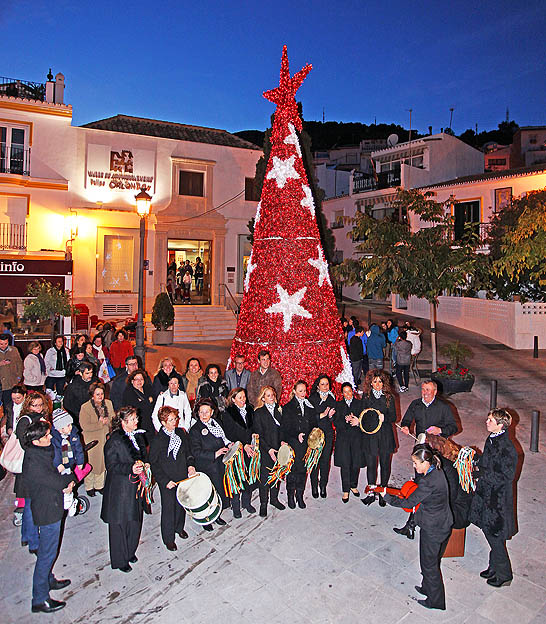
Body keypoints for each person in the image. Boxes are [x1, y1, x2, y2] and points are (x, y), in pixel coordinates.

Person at [379, 444, 453, 610]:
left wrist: (387, 496)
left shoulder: (428, 482)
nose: (413, 466)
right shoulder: (436, 471)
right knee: (430, 561)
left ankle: (436, 601)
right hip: (442, 522)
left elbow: (408, 502)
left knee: (429, 565)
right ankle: (427, 588)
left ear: (425, 462)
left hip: (433, 528)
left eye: (415, 463)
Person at [22, 420, 74, 613]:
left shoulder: (39, 453)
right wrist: (69, 479)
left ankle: (48, 580)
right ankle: (40, 598)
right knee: (46, 554)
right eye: (46, 436)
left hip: (52, 505)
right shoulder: (33, 462)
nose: (50, 437)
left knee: (49, 551)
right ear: (36, 441)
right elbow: (53, 480)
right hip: (47, 510)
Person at [396, 380, 458, 538]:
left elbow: (454, 427)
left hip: (436, 453)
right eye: (423, 389)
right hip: (420, 451)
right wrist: (405, 426)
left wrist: (441, 430)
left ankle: (419, 522)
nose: (425, 392)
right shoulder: (416, 404)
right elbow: (407, 420)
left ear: (435, 392)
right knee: (418, 485)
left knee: (431, 487)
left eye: (428, 390)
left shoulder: (444, 407)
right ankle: (411, 523)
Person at [469, 408, 518, 588]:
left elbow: (506, 477)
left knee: (495, 537)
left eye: (490, 420)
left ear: (500, 425)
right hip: (487, 495)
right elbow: (488, 462)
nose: (486, 422)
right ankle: (493, 567)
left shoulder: (507, 448)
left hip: (497, 500)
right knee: (490, 533)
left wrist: (481, 473)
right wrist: (476, 460)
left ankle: (504, 574)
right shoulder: (492, 439)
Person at [101, 406, 150, 572]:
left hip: (135, 486)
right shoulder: (114, 441)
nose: (137, 421)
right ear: (122, 422)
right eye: (133, 419)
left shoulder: (138, 436)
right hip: (120, 489)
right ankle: (120, 559)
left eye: (136, 418)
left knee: (135, 520)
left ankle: (130, 551)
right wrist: (130, 468)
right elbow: (112, 466)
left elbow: (142, 457)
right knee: (120, 524)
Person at [149, 406, 196, 551]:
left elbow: (188, 452)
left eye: (175, 418)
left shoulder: (181, 433)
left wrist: (190, 466)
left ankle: (179, 528)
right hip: (167, 479)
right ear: (163, 422)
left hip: (181, 475)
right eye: (171, 420)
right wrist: (164, 481)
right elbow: (154, 463)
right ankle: (168, 538)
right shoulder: (158, 440)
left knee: (181, 504)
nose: (175, 421)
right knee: (168, 508)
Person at [15, 391, 50, 554]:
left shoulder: (40, 419)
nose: (37, 408)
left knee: (31, 504)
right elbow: (26, 445)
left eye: (40, 405)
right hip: (29, 468)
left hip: (36, 466)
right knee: (30, 504)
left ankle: (26, 536)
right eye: (34, 405)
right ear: (27, 406)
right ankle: (33, 542)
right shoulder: (25, 421)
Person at [188, 399, 229, 531]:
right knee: (207, 495)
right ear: (197, 413)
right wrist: (214, 454)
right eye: (201, 412)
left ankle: (216, 515)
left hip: (219, 465)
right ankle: (206, 521)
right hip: (206, 466)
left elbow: (223, 438)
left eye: (207, 412)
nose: (204, 415)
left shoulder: (217, 423)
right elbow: (195, 451)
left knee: (218, 491)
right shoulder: (195, 430)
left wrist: (229, 445)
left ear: (212, 412)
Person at [360, 370, 397, 506]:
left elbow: (394, 417)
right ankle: (371, 491)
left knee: (385, 465)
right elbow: (362, 414)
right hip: (371, 435)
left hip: (385, 435)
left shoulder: (389, 397)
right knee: (371, 464)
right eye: (375, 381)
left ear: (384, 383)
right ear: (370, 382)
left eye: (380, 382)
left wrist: (385, 417)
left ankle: (383, 492)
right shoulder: (366, 396)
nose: (377, 384)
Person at [280, 380, 318, 510]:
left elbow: (313, 423)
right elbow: (285, 427)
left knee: (302, 470)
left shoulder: (309, 405)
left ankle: (300, 496)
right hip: (294, 444)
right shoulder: (287, 407)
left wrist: (313, 436)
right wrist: (297, 434)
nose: (303, 393)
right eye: (300, 391)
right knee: (292, 471)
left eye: (304, 391)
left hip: (306, 444)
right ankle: (291, 496)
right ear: (294, 391)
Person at [222, 388, 257, 518]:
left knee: (247, 476)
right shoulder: (228, 413)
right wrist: (244, 445)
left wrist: (253, 438)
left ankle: (246, 503)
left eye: (244, 397)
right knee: (237, 479)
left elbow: (253, 427)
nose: (243, 400)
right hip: (237, 450)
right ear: (233, 399)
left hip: (249, 448)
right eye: (240, 398)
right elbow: (229, 434)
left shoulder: (250, 410)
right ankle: (236, 506)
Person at [252, 386, 286, 517]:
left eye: (272, 395)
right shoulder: (259, 413)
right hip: (266, 449)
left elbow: (283, 428)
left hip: (278, 448)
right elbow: (258, 434)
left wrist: (282, 442)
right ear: (263, 398)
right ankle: (263, 504)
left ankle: (274, 499)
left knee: (276, 476)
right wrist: (269, 450)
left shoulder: (279, 410)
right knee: (265, 479)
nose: (271, 397)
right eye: (268, 395)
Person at [79, 381, 113, 496]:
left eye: (102, 394)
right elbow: (84, 426)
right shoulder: (85, 407)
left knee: (102, 463)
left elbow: (113, 419)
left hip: (104, 438)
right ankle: (89, 487)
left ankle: (99, 486)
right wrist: (100, 424)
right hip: (92, 440)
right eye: (97, 394)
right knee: (91, 464)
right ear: (92, 395)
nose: (100, 397)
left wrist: (107, 422)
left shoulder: (108, 404)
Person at [333, 382, 365, 503]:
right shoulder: (338, 405)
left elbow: (364, 419)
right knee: (345, 464)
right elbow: (336, 423)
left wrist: (357, 421)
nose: (347, 394)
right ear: (342, 393)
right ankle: (345, 489)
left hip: (357, 438)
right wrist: (345, 421)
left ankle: (353, 485)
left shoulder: (359, 404)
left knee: (355, 463)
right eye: (345, 392)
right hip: (344, 439)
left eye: (349, 391)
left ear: (353, 391)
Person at [50, 408, 85, 515]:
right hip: (60, 465)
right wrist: (58, 464)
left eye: (70, 424)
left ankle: (70, 500)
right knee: (62, 483)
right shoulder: (54, 438)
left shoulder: (74, 434)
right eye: (67, 426)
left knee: (69, 482)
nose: (71, 427)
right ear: (60, 429)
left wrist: (80, 461)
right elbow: (55, 452)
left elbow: (79, 449)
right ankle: (66, 499)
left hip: (69, 464)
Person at [308, 375, 336, 498]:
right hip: (315, 434)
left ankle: (323, 486)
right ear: (318, 386)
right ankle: (314, 485)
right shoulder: (312, 398)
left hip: (328, 433)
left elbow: (334, 418)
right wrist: (323, 414)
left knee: (325, 461)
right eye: (322, 384)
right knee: (315, 461)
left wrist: (330, 416)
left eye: (327, 384)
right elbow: (309, 418)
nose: (325, 387)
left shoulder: (332, 398)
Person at [123, 369, 156, 439]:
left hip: (150, 422)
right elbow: (136, 407)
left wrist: (143, 402)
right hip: (137, 423)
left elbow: (154, 402)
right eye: (136, 379)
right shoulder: (129, 392)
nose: (139, 381)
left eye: (141, 379)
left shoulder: (148, 388)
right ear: (132, 381)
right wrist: (148, 401)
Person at [62, 362, 96, 428]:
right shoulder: (73, 387)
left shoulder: (95, 382)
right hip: (80, 418)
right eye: (87, 373)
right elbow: (67, 405)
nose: (90, 375)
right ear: (80, 373)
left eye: (91, 372)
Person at [0, 333, 23, 419]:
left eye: (5, 343)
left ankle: (9, 420)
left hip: (11, 382)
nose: (3, 346)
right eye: (1, 344)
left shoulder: (14, 350)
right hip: (1, 383)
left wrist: (18, 377)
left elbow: (19, 364)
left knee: (9, 404)